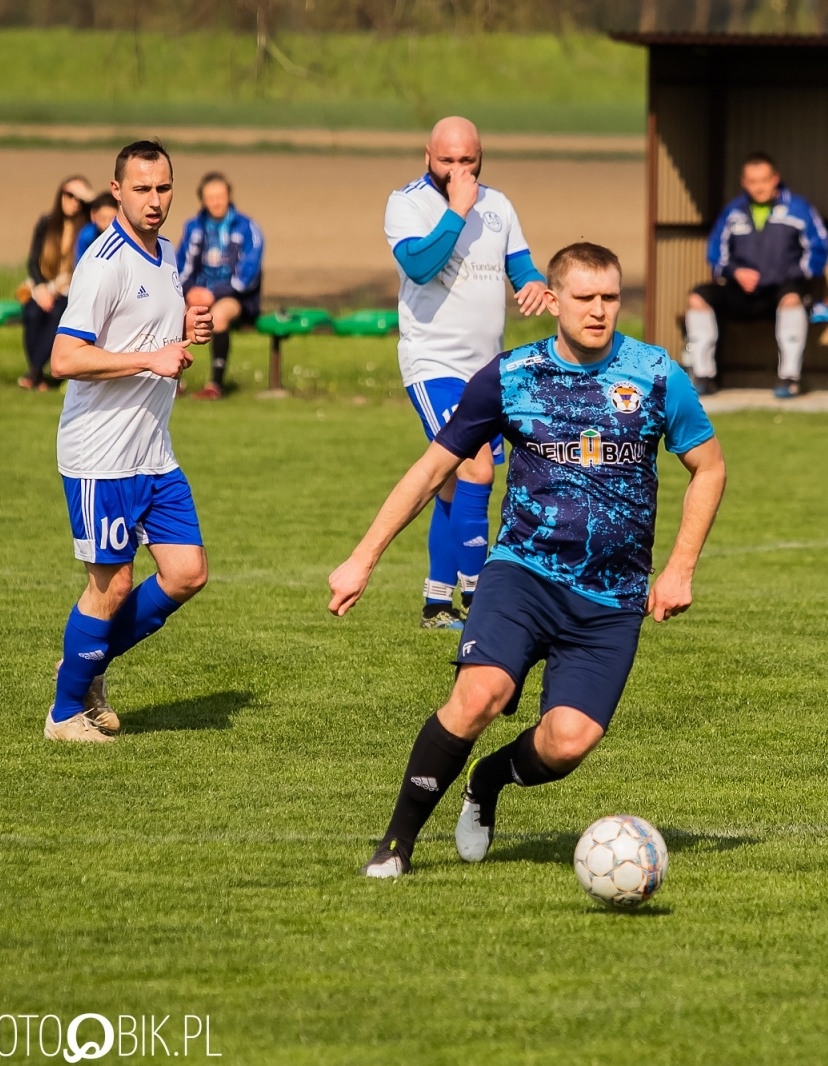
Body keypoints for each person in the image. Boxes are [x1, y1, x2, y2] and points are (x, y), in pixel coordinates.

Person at [328, 242, 726, 878]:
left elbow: (709, 466)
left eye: (610, 298)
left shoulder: (655, 375)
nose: (599, 311)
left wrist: (679, 569)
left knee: (569, 743)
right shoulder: (512, 376)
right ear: (555, 299)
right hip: (524, 574)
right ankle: (395, 846)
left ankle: (488, 779)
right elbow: (435, 466)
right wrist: (363, 558)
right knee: (479, 695)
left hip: (611, 597)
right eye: (585, 298)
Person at [43, 140, 213, 743]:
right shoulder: (103, 261)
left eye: (163, 188)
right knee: (111, 584)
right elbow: (64, 357)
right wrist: (152, 357)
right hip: (101, 454)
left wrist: (187, 328)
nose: (155, 201)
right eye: (141, 189)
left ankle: (84, 664)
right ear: (116, 191)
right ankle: (66, 713)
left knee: (188, 572)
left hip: (153, 452)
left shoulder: (166, 253)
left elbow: (152, 332)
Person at [385, 116, 549, 630]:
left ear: (481, 156)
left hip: (487, 368)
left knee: (454, 484)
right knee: (476, 467)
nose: (458, 170)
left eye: (468, 161)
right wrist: (456, 211)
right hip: (432, 362)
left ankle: (437, 603)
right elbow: (419, 267)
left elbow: (521, 266)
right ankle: (481, 598)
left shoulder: (498, 205)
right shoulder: (406, 203)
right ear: (427, 156)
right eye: (447, 160)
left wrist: (536, 286)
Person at [684, 152, 828, 399]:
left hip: (782, 290)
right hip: (742, 292)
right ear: (744, 182)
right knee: (698, 298)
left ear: (775, 179)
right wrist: (735, 272)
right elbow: (715, 254)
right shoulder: (732, 212)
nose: (759, 186)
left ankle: (789, 378)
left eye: (764, 180)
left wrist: (787, 274)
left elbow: (819, 250)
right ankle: (703, 375)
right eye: (752, 181)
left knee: (792, 298)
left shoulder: (798, 209)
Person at [177, 172, 265, 400]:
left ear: (229, 196)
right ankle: (173, 380)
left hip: (235, 296)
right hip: (198, 292)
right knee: (173, 313)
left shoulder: (247, 228)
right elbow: (182, 266)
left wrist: (213, 293)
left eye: (221, 196)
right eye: (211, 197)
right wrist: (190, 291)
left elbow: (247, 276)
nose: (216, 202)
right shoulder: (194, 227)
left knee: (219, 315)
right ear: (202, 200)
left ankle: (215, 384)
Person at [19, 176, 94, 391]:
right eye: (68, 195)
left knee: (57, 315)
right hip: (44, 286)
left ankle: (34, 373)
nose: (73, 201)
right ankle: (37, 373)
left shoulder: (87, 229)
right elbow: (34, 260)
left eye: (79, 198)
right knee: (32, 313)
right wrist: (41, 287)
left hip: (70, 289)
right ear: (60, 195)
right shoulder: (46, 223)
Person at [75, 193, 118, 263]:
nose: (107, 224)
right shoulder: (86, 236)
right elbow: (79, 263)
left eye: (112, 219)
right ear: (93, 216)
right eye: (103, 219)